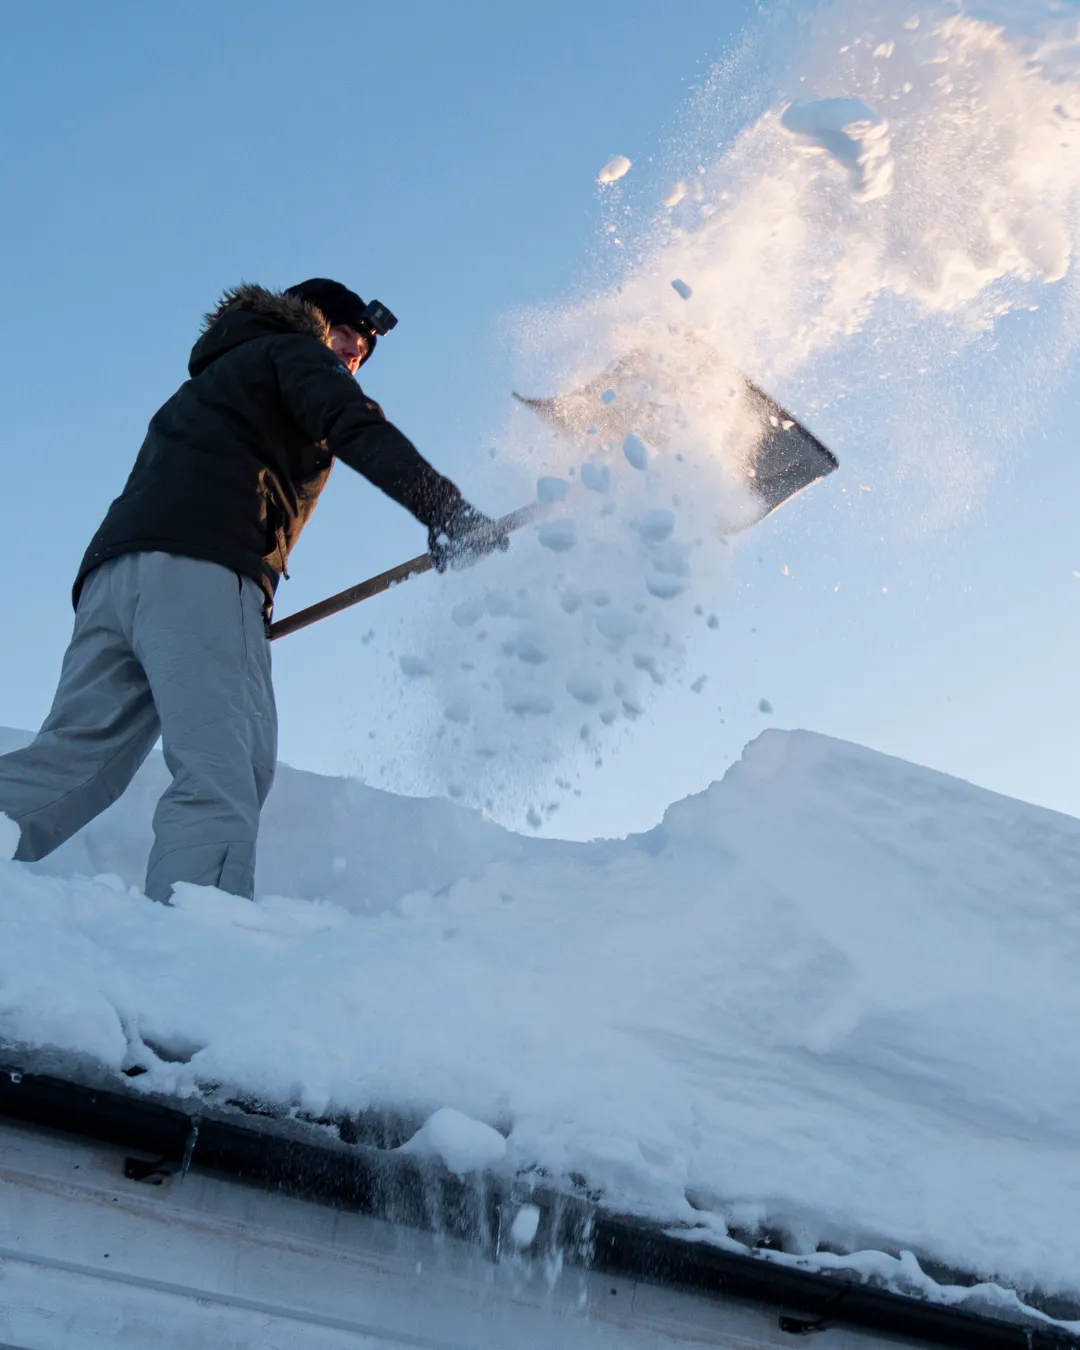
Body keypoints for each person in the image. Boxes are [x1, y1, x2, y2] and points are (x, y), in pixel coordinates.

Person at [0, 278, 506, 903]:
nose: (350, 359)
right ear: (313, 322)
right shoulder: (292, 353)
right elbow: (354, 425)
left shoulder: (210, 381)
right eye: (347, 338)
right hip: (200, 570)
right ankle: (194, 954)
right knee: (225, 768)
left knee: (74, 761)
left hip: (114, 578)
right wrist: (446, 512)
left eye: (361, 355)